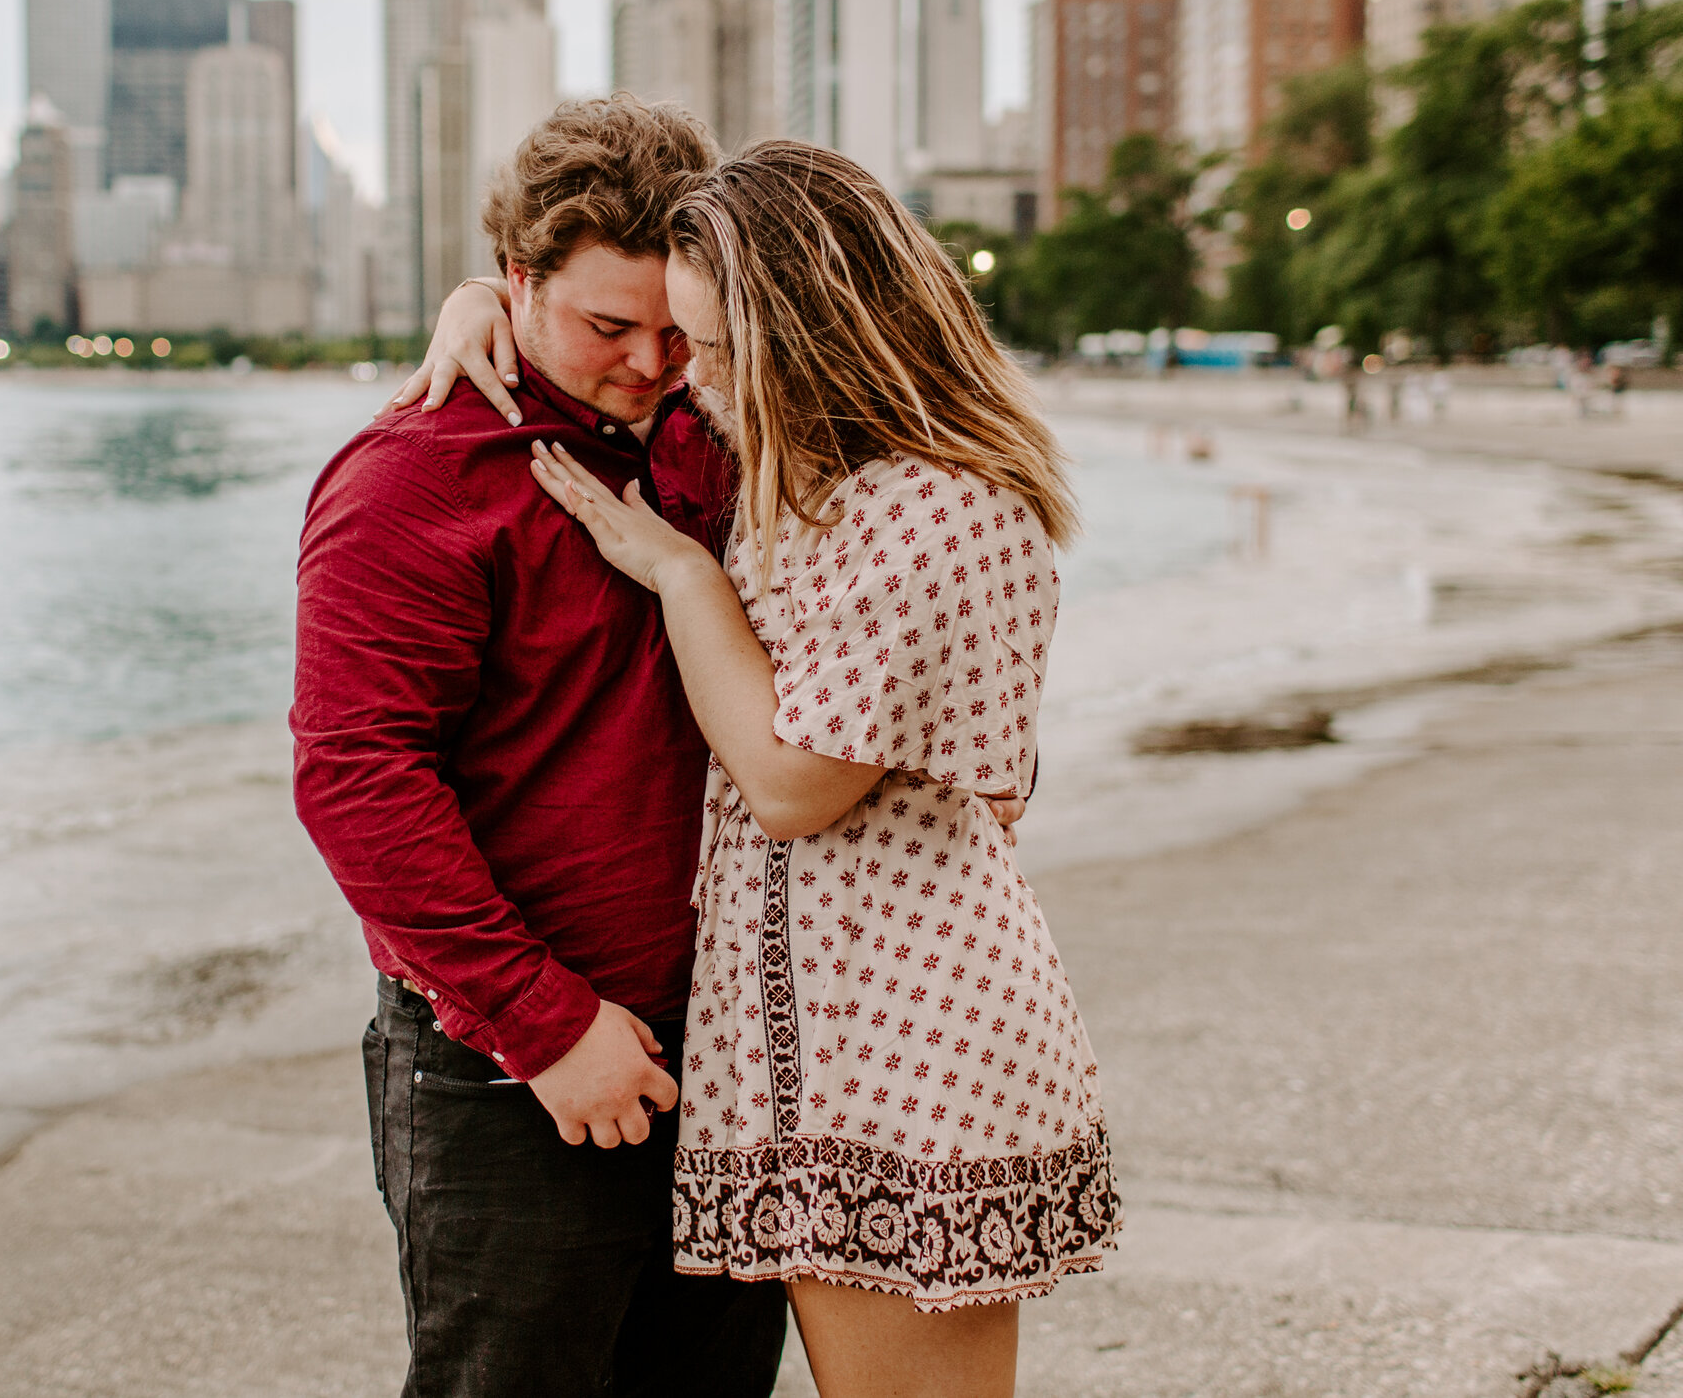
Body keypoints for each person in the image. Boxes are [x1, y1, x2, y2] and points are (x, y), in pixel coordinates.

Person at [417, 141, 1120, 1396]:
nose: (689, 383)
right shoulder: (808, 476)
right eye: (676, 342)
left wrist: (681, 576)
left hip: (905, 1044)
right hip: (816, 1033)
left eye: (715, 350)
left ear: (812, 331)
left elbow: (796, 785)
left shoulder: (933, 509)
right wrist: (494, 304)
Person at [291, 95, 790, 1397]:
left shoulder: (708, 437)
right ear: (516, 283)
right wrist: (545, 1024)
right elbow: (356, 778)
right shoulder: (409, 479)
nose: (648, 359)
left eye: (677, 328)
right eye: (605, 325)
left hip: (726, 1040)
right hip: (505, 1064)